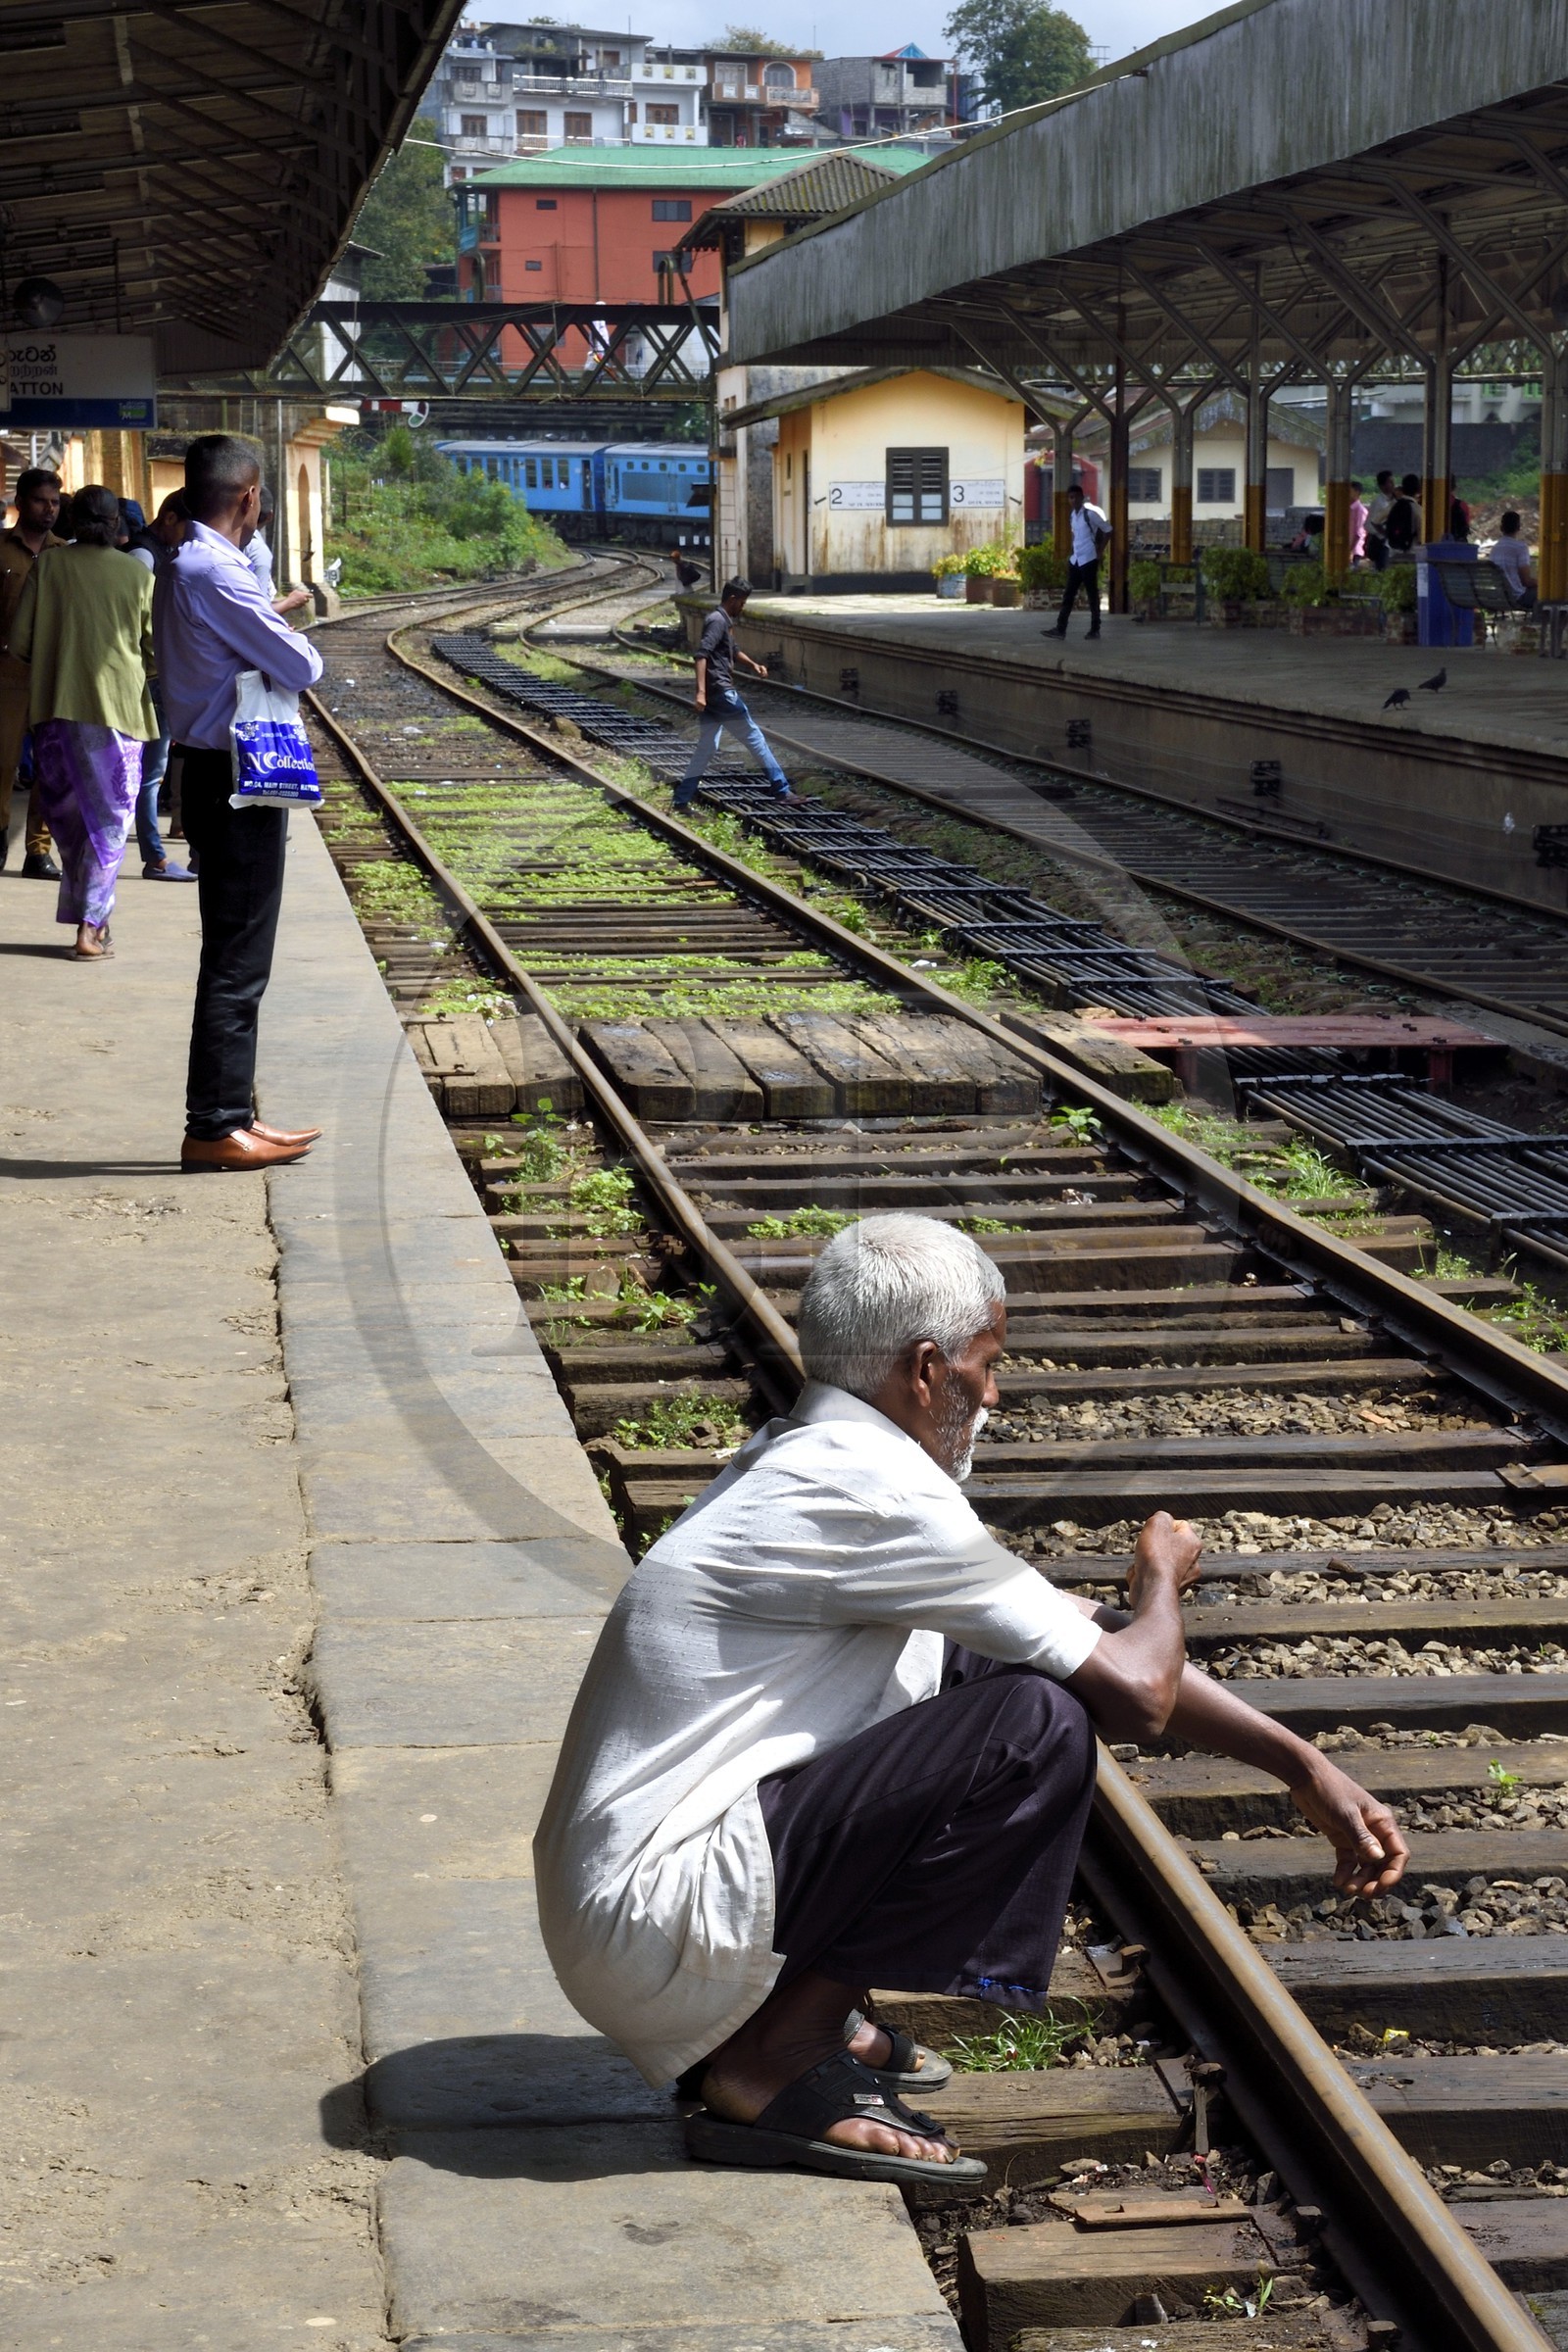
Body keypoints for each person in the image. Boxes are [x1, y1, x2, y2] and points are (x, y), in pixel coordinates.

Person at [534, 1215, 1407, 2184]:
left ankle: (792, 2008)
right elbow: (1133, 1694)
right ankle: (770, 2054)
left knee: (999, 1671)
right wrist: (1162, 1579)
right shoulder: (871, 1490)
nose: (994, 1394)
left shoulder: (815, 1456)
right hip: (653, 1925)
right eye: (985, 1365)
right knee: (1033, 1726)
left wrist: (1303, 1764)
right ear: (923, 1369)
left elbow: (1081, 1635)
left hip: (626, 1911)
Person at [154, 434, 324, 1172]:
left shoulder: (197, 561)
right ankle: (215, 1126)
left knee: (238, 953)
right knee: (236, 958)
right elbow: (301, 662)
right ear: (251, 497)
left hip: (222, 771)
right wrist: (281, 630)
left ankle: (236, 1114)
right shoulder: (210, 572)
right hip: (231, 781)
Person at [8, 484, 157, 960]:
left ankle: (94, 918)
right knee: (109, 826)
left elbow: (20, 644)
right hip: (117, 714)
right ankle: (89, 930)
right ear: (117, 523)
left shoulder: (49, 566)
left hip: (55, 714)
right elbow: (154, 653)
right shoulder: (136, 574)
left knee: (71, 823)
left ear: (72, 520)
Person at [673, 577, 795, 810]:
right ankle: (782, 790)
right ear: (732, 599)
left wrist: (753, 665)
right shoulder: (717, 621)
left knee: (706, 748)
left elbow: (733, 650)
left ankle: (681, 799)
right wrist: (700, 693)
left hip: (714, 694)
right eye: (742, 602)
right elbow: (701, 656)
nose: (743, 606)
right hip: (720, 692)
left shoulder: (723, 621)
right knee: (755, 738)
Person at [125, 493, 194, 882]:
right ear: (168, 518)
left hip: (153, 676)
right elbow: (143, 623)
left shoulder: (154, 552)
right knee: (149, 774)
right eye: (186, 528)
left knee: (147, 773)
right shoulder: (145, 557)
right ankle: (153, 855)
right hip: (151, 678)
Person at [0, 466, 64, 877]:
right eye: (42, 501)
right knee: (1, 765)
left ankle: (38, 851)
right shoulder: (1, 549)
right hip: (7, 677)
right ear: (20, 503)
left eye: (55, 502)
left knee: (51, 767)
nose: (50, 509)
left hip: (55, 679)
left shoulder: (65, 555)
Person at [1047, 482, 1109, 641]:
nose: (1073, 500)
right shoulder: (1072, 516)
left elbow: (1108, 529)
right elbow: (1076, 537)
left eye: (1075, 497)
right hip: (1076, 560)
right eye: (1070, 497)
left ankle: (1095, 629)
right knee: (1068, 595)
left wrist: (1100, 550)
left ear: (1082, 497)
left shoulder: (1090, 514)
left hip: (1089, 559)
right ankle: (1060, 629)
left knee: (1092, 595)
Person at [248, 485, 313, 617]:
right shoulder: (258, 552)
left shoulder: (228, 540)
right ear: (270, 516)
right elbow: (258, 613)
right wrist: (290, 602)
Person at [1491, 511, 1537, 610]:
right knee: (1553, 593)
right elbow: (1526, 581)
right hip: (1519, 598)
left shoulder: (1495, 549)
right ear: (1518, 527)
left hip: (1502, 598)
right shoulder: (1520, 547)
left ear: (1501, 528)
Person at [1363, 468, 1396, 570]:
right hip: (1382, 545)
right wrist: (1383, 533)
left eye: (1393, 481)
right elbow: (1368, 524)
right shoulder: (1378, 502)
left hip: (1392, 545)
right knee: (1382, 571)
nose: (1393, 484)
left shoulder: (1395, 500)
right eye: (1390, 482)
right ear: (1382, 486)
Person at [1386, 473, 1423, 555]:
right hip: (1412, 551)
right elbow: (1421, 537)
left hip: (1393, 551)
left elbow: (1376, 521)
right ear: (1418, 490)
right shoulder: (1418, 509)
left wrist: (1390, 536)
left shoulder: (1393, 505)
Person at [1348, 479, 1368, 565]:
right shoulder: (1350, 509)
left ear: (1357, 492)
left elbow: (1359, 533)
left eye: (1349, 491)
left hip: (1355, 550)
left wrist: (1350, 551)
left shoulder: (1360, 510)